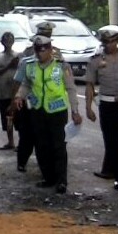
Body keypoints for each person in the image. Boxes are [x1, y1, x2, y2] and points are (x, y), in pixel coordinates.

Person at [13, 34, 82, 194]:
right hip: (38, 110)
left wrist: (75, 111)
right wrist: (19, 96)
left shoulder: (61, 66)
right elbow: (26, 84)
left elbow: (71, 89)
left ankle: (61, 181)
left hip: (57, 111)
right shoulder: (30, 66)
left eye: (43, 50)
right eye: (37, 50)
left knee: (58, 146)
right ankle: (48, 177)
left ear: (50, 50)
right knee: (41, 146)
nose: (40, 54)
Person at [85, 25, 118, 189]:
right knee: (112, 142)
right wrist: (88, 108)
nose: (109, 45)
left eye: (112, 41)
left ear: (117, 41)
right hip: (107, 105)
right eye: (106, 42)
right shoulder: (95, 61)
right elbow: (89, 85)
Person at [12, 21, 59, 172]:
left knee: (48, 136)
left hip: (49, 102)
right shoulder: (27, 55)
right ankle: (22, 161)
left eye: (48, 35)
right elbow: (19, 81)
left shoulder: (56, 54)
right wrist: (15, 99)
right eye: (43, 35)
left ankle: (48, 165)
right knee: (27, 134)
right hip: (30, 101)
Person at [0, 31, 20, 150]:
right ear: (1, 41)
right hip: (3, 91)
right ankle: (10, 141)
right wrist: (9, 65)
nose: (8, 41)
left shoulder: (19, 55)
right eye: (5, 38)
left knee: (19, 117)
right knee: (7, 117)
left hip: (16, 91)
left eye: (10, 38)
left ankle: (21, 142)